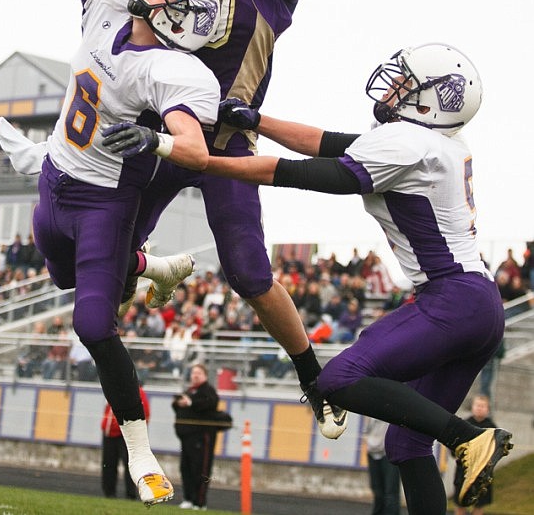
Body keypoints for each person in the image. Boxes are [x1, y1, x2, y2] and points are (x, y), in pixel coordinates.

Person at [0, 0, 222, 507]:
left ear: (181, 26)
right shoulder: (109, 5)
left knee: (93, 321)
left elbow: (192, 144)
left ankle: (141, 452)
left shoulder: (174, 69)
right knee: (69, 282)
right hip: (54, 184)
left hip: (103, 198)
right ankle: (151, 267)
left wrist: (156, 134)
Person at [127, 0, 346, 440]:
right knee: (103, 246)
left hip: (226, 139)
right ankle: (149, 267)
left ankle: (315, 376)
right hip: (166, 120)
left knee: (251, 273)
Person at [207, 42, 513, 514]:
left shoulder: (409, 142)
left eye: (407, 83)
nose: (394, 87)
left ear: (432, 100)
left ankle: (467, 436)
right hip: (479, 304)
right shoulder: (434, 142)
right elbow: (324, 141)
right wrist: (256, 120)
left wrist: (204, 163)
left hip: (451, 299)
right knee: (406, 444)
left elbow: (312, 173)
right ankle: (464, 439)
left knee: (338, 378)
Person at [172, 363, 220, 510]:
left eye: (198, 373)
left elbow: (211, 403)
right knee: (185, 468)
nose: (195, 375)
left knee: (200, 469)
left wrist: (191, 403)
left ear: (205, 375)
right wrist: (179, 402)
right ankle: (188, 498)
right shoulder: (189, 390)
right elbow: (176, 406)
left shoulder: (208, 391)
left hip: (202, 437)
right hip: (186, 438)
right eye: (193, 373)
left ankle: (200, 502)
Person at [101, 384, 150, 500]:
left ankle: (130, 494)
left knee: (129, 465)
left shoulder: (138, 392)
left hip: (126, 435)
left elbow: (145, 414)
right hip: (109, 434)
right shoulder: (114, 389)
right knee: (108, 464)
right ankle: (109, 493)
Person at [452, 395, 497, 515]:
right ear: (472, 407)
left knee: (479, 503)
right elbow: (455, 446)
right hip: (464, 471)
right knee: (460, 502)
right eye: (477, 405)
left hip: (482, 473)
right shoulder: (464, 425)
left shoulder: (492, 428)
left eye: (482, 406)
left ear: (487, 409)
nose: (479, 408)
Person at [363, 417, 402, 515]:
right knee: (377, 492)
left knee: (391, 492)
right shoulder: (369, 412)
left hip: (389, 453)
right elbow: (366, 430)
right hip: (372, 452)